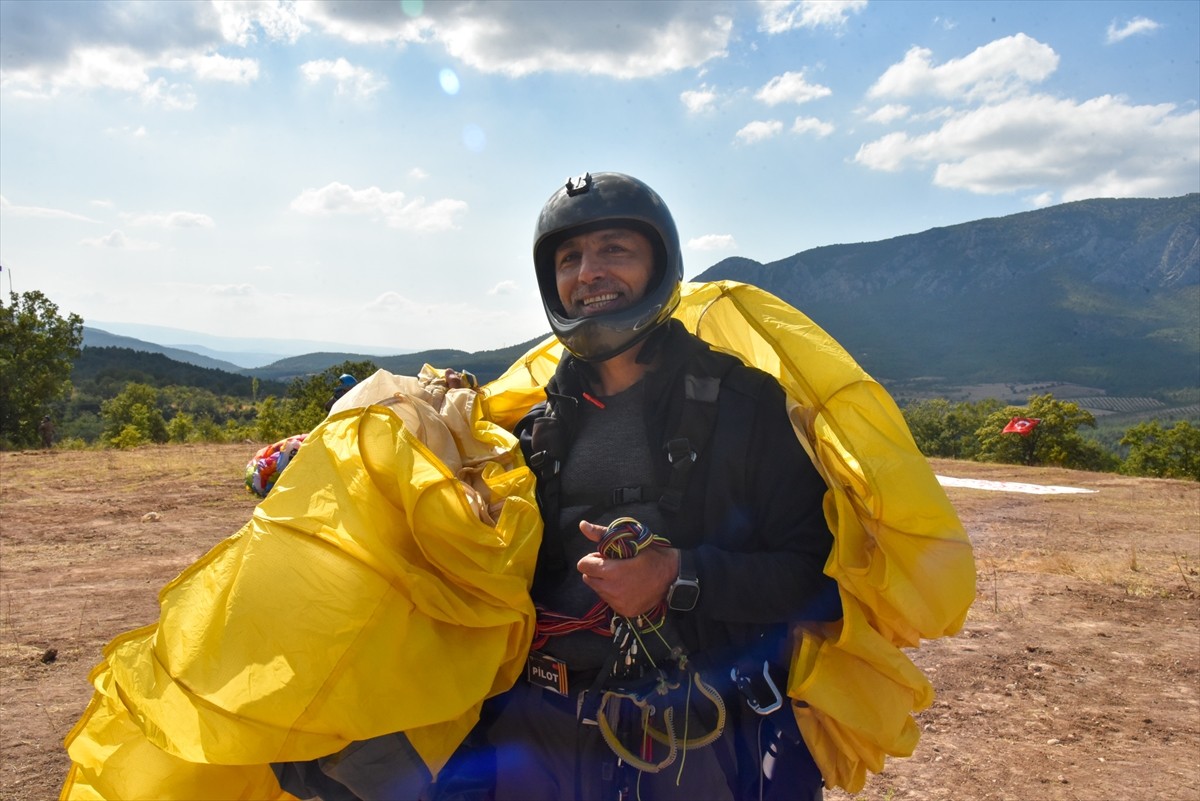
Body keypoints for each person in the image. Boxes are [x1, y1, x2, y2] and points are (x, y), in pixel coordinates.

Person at [470, 172, 842, 801]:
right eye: (569, 258)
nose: (588, 272)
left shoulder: (746, 409)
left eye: (615, 249)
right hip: (539, 730)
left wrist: (680, 575)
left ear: (661, 263)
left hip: (692, 731)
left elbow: (817, 581)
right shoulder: (533, 428)